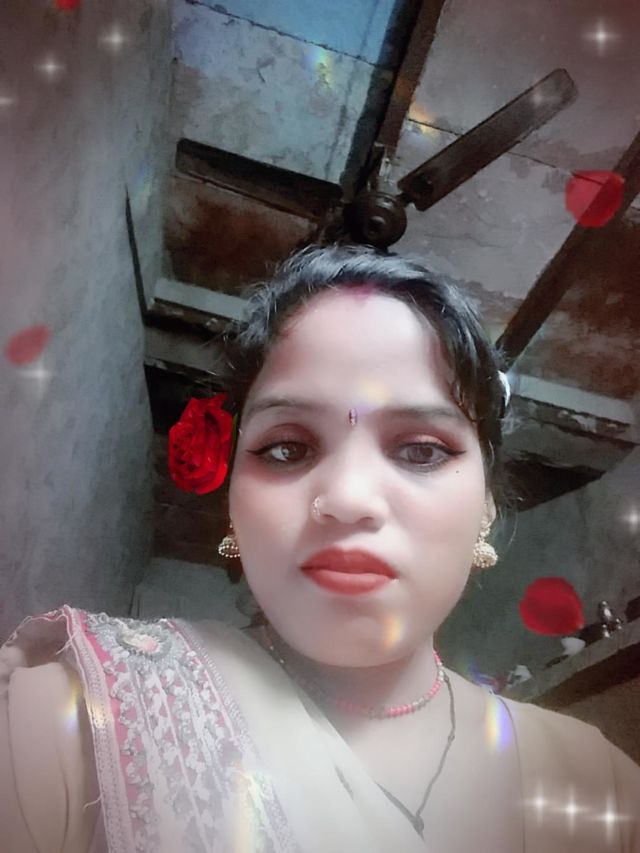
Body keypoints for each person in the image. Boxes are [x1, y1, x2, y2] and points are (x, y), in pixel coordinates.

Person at [1, 244, 638, 853]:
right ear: (233, 500)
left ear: (488, 505)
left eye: (421, 450)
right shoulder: (78, 722)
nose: (349, 497)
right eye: (288, 448)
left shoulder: (596, 783)